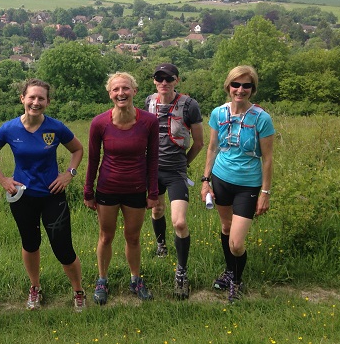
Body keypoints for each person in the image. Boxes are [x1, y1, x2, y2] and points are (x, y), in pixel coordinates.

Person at [0, 79, 86, 312]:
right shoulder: (9, 128)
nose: (35, 102)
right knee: (30, 244)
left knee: (63, 248)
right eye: (32, 97)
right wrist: (3, 179)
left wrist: (69, 174)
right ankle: (35, 288)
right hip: (22, 198)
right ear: (23, 99)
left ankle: (79, 291)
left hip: (52, 195)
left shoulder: (56, 127)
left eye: (41, 98)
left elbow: (77, 149)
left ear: (47, 102)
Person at [84, 72, 159, 305]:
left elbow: (153, 159)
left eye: (125, 88)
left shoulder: (149, 121)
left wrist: (153, 192)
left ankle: (135, 279)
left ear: (134, 91)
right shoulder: (99, 123)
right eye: (116, 90)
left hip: (136, 188)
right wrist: (88, 190)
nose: (121, 93)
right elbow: (93, 160)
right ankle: (102, 280)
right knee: (106, 236)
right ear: (110, 94)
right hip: (108, 188)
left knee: (133, 237)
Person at [201, 65, 274, 303]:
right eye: (236, 84)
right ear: (228, 86)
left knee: (236, 242)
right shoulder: (218, 114)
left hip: (248, 185)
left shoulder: (262, 118)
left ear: (252, 89)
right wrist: (205, 180)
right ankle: (230, 273)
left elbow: (268, 158)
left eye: (246, 86)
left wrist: (265, 192)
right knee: (225, 227)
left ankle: (237, 280)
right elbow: (212, 148)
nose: (240, 90)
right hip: (221, 179)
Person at [145, 63, 204, 300]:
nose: (164, 82)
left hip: (176, 171)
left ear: (176, 80)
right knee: (156, 210)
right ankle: (161, 245)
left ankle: (181, 271)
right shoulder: (149, 101)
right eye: (159, 78)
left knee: (179, 222)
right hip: (152, 170)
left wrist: (185, 164)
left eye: (168, 78)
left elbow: (199, 142)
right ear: (154, 81)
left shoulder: (189, 105)